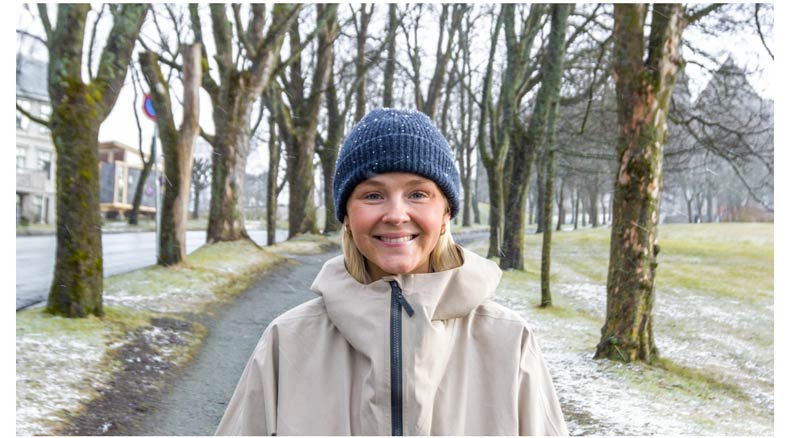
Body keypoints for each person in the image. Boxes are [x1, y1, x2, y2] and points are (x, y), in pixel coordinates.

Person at [215, 108, 568, 436]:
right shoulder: (288, 342)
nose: (396, 214)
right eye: (372, 195)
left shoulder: (508, 341)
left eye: (418, 194)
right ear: (347, 217)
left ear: (445, 213)